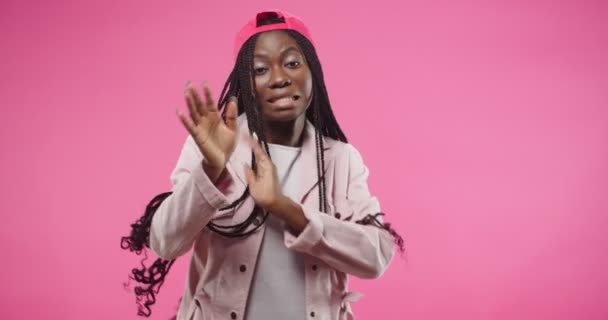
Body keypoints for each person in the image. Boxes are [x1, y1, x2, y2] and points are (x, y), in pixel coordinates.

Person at [121, 9, 404, 320]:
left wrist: (284, 207)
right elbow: (165, 243)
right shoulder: (214, 148)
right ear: (245, 82)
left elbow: (376, 256)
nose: (280, 79)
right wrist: (212, 170)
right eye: (259, 69)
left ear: (314, 74)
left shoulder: (341, 158)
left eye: (292, 63)